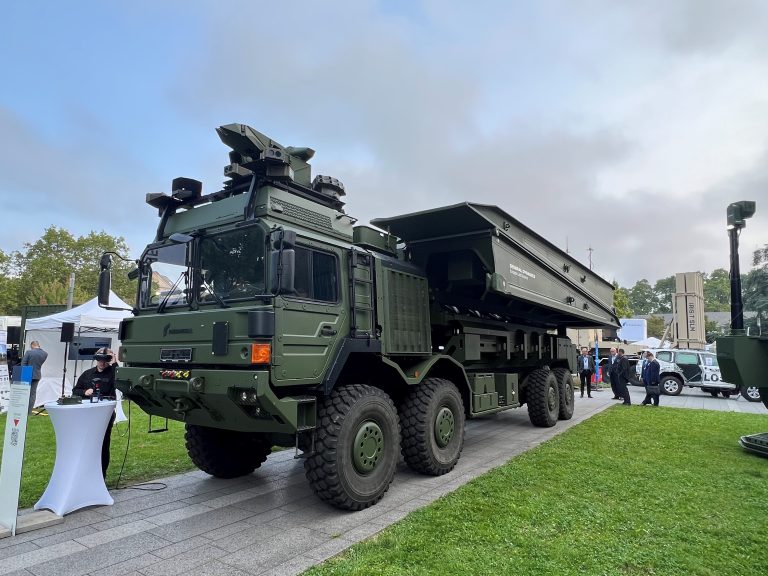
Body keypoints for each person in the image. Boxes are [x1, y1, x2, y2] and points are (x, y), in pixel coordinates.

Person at [73, 348, 117, 478]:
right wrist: (84, 392)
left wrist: (114, 363)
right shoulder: (87, 374)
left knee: (103, 444)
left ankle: (101, 475)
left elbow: (121, 379)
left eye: (105, 360)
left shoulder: (113, 373)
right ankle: (87, 473)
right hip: (88, 414)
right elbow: (76, 390)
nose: (102, 363)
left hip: (105, 414)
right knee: (87, 444)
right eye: (100, 360)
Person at [21, 340, 48, 414]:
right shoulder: (45, 354)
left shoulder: (29, 352)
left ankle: (22, 410)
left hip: (27, 374)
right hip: (37, 375)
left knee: (24, 392)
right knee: (32, 394)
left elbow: (23, 364)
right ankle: (29, 412)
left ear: (32, 345)